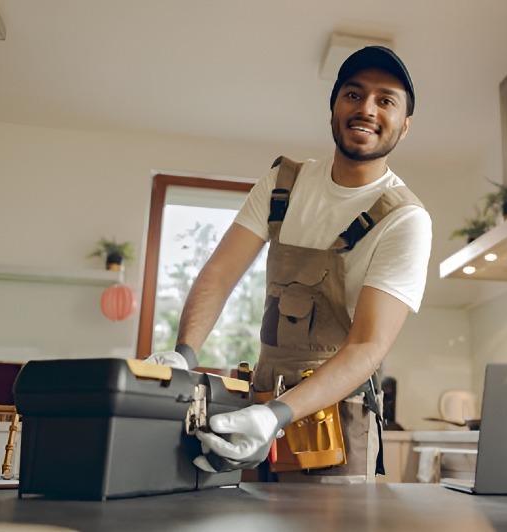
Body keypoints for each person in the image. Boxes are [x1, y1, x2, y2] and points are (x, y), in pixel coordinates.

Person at [147, 45, 431, 483]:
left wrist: (277, 415)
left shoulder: (405, 219)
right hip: (260, 406)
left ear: (405, 125)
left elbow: (367, 346)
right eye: (353, 94)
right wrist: (184, 354)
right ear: (334, 107)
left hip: (336, 425)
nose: (367, 109)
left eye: (386, 100)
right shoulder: (283, 183)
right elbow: (220, 274)